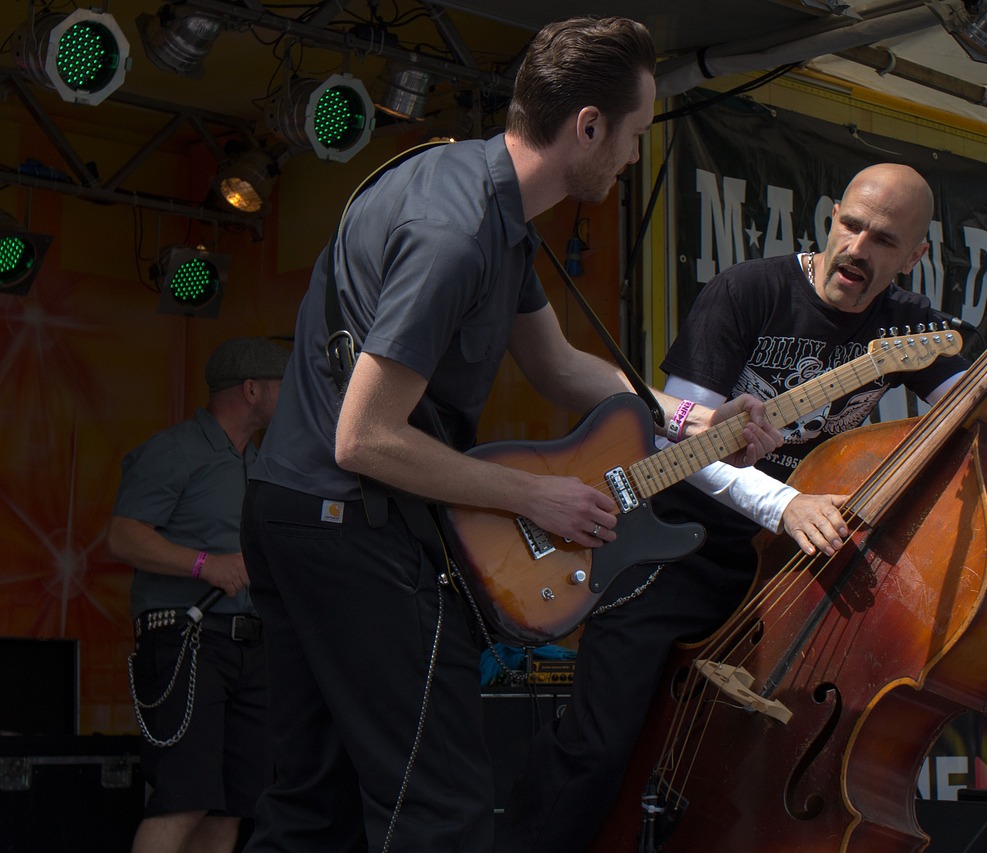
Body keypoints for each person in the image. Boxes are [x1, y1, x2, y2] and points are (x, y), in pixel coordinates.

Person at [238, 16, 780, 853]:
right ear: (588, 127)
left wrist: (691, 419)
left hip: (297, 513)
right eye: (633, 136)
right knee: (440, 810)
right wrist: (537, 495)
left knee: (311, 807)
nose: (634, 157)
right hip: (352, 521)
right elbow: (366, 438)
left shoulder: (482, 198)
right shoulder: (456, 235)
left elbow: (559, 364)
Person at [496, 162, 987, 852]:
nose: (859, 249)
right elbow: (677, 438)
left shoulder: (907, 327)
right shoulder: (746, 292)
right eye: (852, 225)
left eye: (884, 241)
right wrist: (784, 504)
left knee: (750, 757)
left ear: (915, 256)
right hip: (678, 543)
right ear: (832, 216)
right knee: (598, 743)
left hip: (784, 569)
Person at [108, 336, 290, 853]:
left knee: (232, 807)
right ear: (252, 389)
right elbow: (123, 535)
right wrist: (203, 564)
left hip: (251, 649)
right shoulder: (175, 449)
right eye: (285, 386)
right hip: (186, 640)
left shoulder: (262, 466)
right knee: (182, 797)